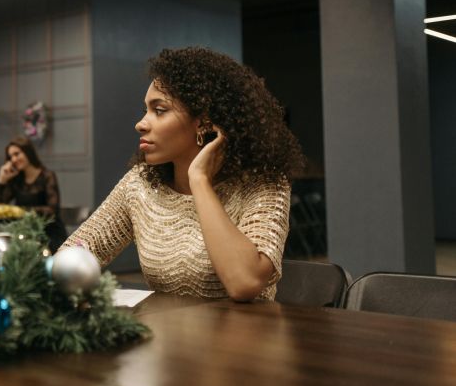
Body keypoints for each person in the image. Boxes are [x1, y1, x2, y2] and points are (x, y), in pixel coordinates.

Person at [62, 47, 303, 301]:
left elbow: (245, 282)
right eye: (145, 110)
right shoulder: (141, 183)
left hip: (245, 337)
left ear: (203, 122)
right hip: (167, 336)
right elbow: (75, 252)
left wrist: (199, 180)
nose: (141, 124)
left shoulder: (263, 183)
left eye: (160, 110)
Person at [0, 136, 67, 250]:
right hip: (25, 234)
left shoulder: (47, 176)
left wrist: (21, 211)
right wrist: (1, 180)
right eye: (10, 157)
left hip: (49, 234)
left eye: (17, 154)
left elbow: (53, 210)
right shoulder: (17, 179)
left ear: (28, 152)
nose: (13, 159)